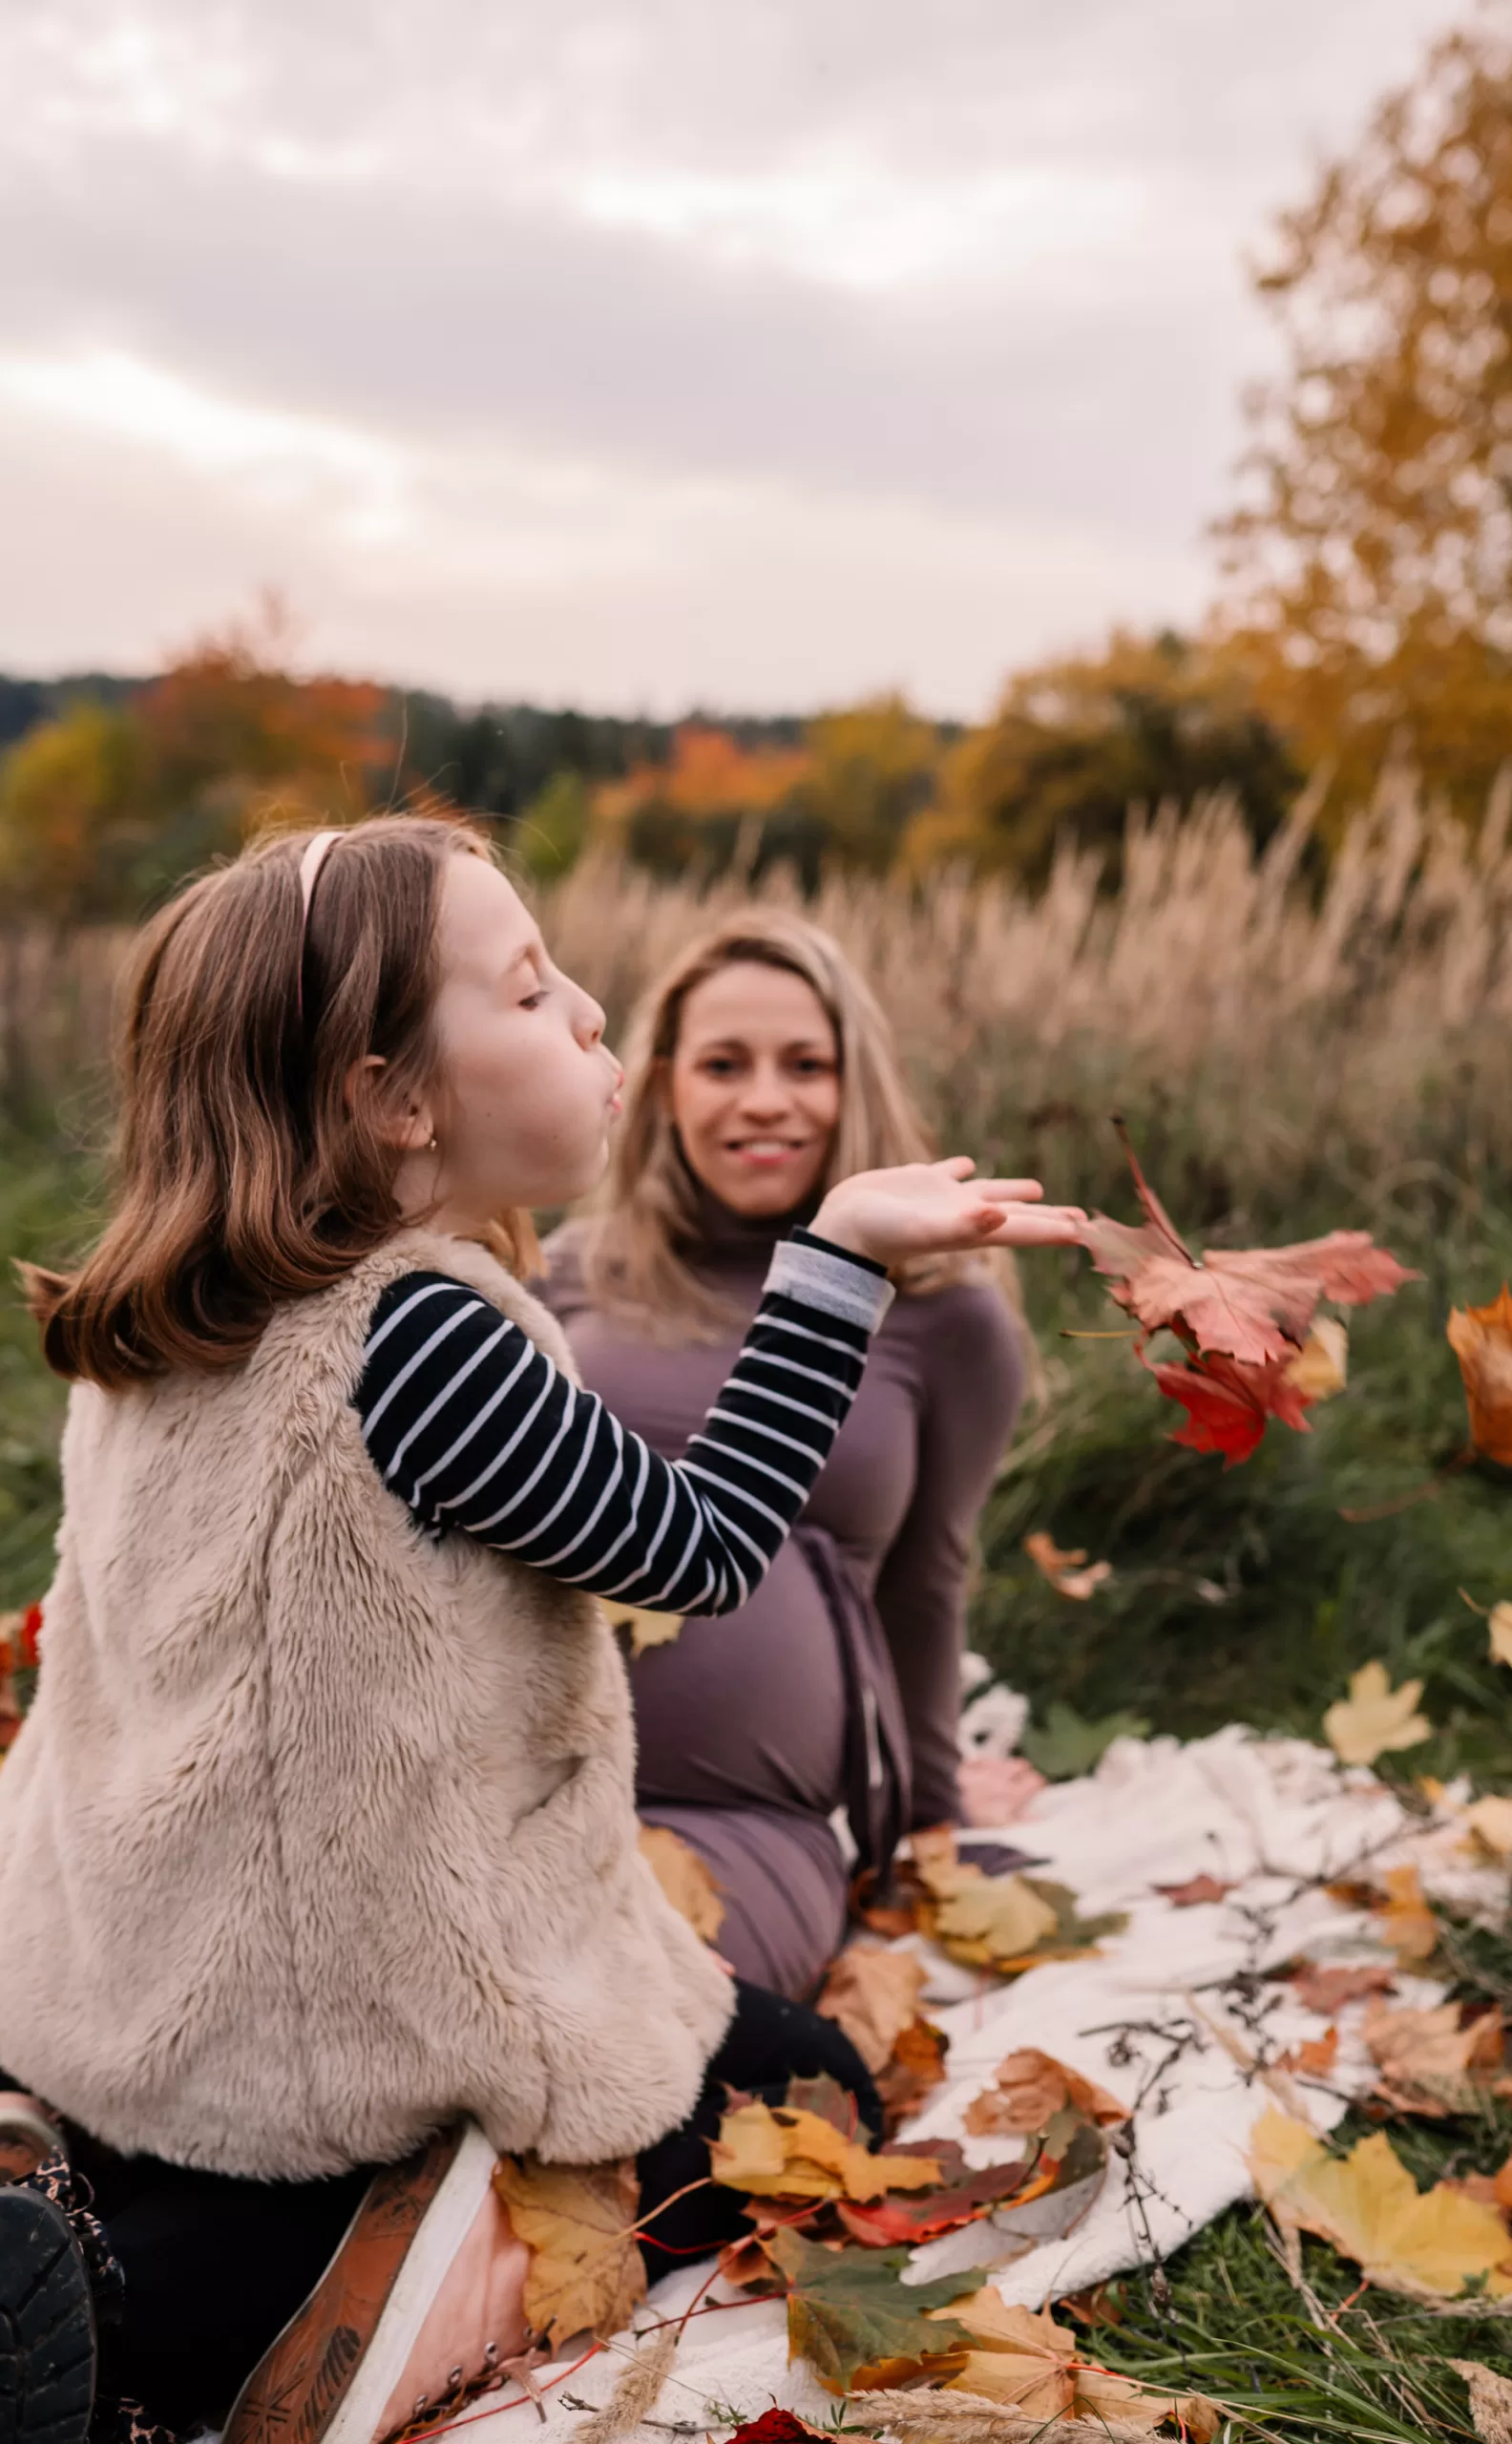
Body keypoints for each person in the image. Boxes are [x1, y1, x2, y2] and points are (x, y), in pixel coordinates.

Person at [0, 816, 1086, 2444]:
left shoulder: (175, 1320)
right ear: (395, 1100)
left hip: (133, 1997)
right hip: (348, 2032)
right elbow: (703, 1550)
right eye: (529, 990)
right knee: (794, 2089)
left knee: (203, 2161)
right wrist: (836, 1263)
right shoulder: (420, 1341)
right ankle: (164, 2314)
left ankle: (79, 2190)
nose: (592, 1016)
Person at [538, 913, 1040, 2002]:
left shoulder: (946, 1315)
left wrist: (932, 1809)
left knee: (649, 2012)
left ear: (852, 1082)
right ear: (665, 1086)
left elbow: (927, 1581)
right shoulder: (568, 1275)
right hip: (520, 1780)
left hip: (753, 1817)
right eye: (725, 1064)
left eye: (805, 1065)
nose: (765, 1098)